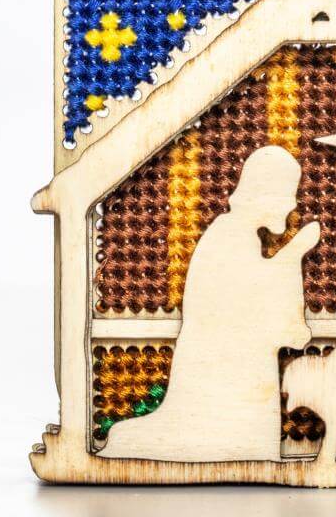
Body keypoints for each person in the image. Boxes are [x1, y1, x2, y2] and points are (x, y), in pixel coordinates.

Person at [100, 146, 318, 462]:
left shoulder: (238, 235)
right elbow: (245, 299)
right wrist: (294, 253)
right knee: (236, 439)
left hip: (243, 367)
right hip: (221, 373)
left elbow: (254, 289)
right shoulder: (227, 235)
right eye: (287, 194)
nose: (293, 204)